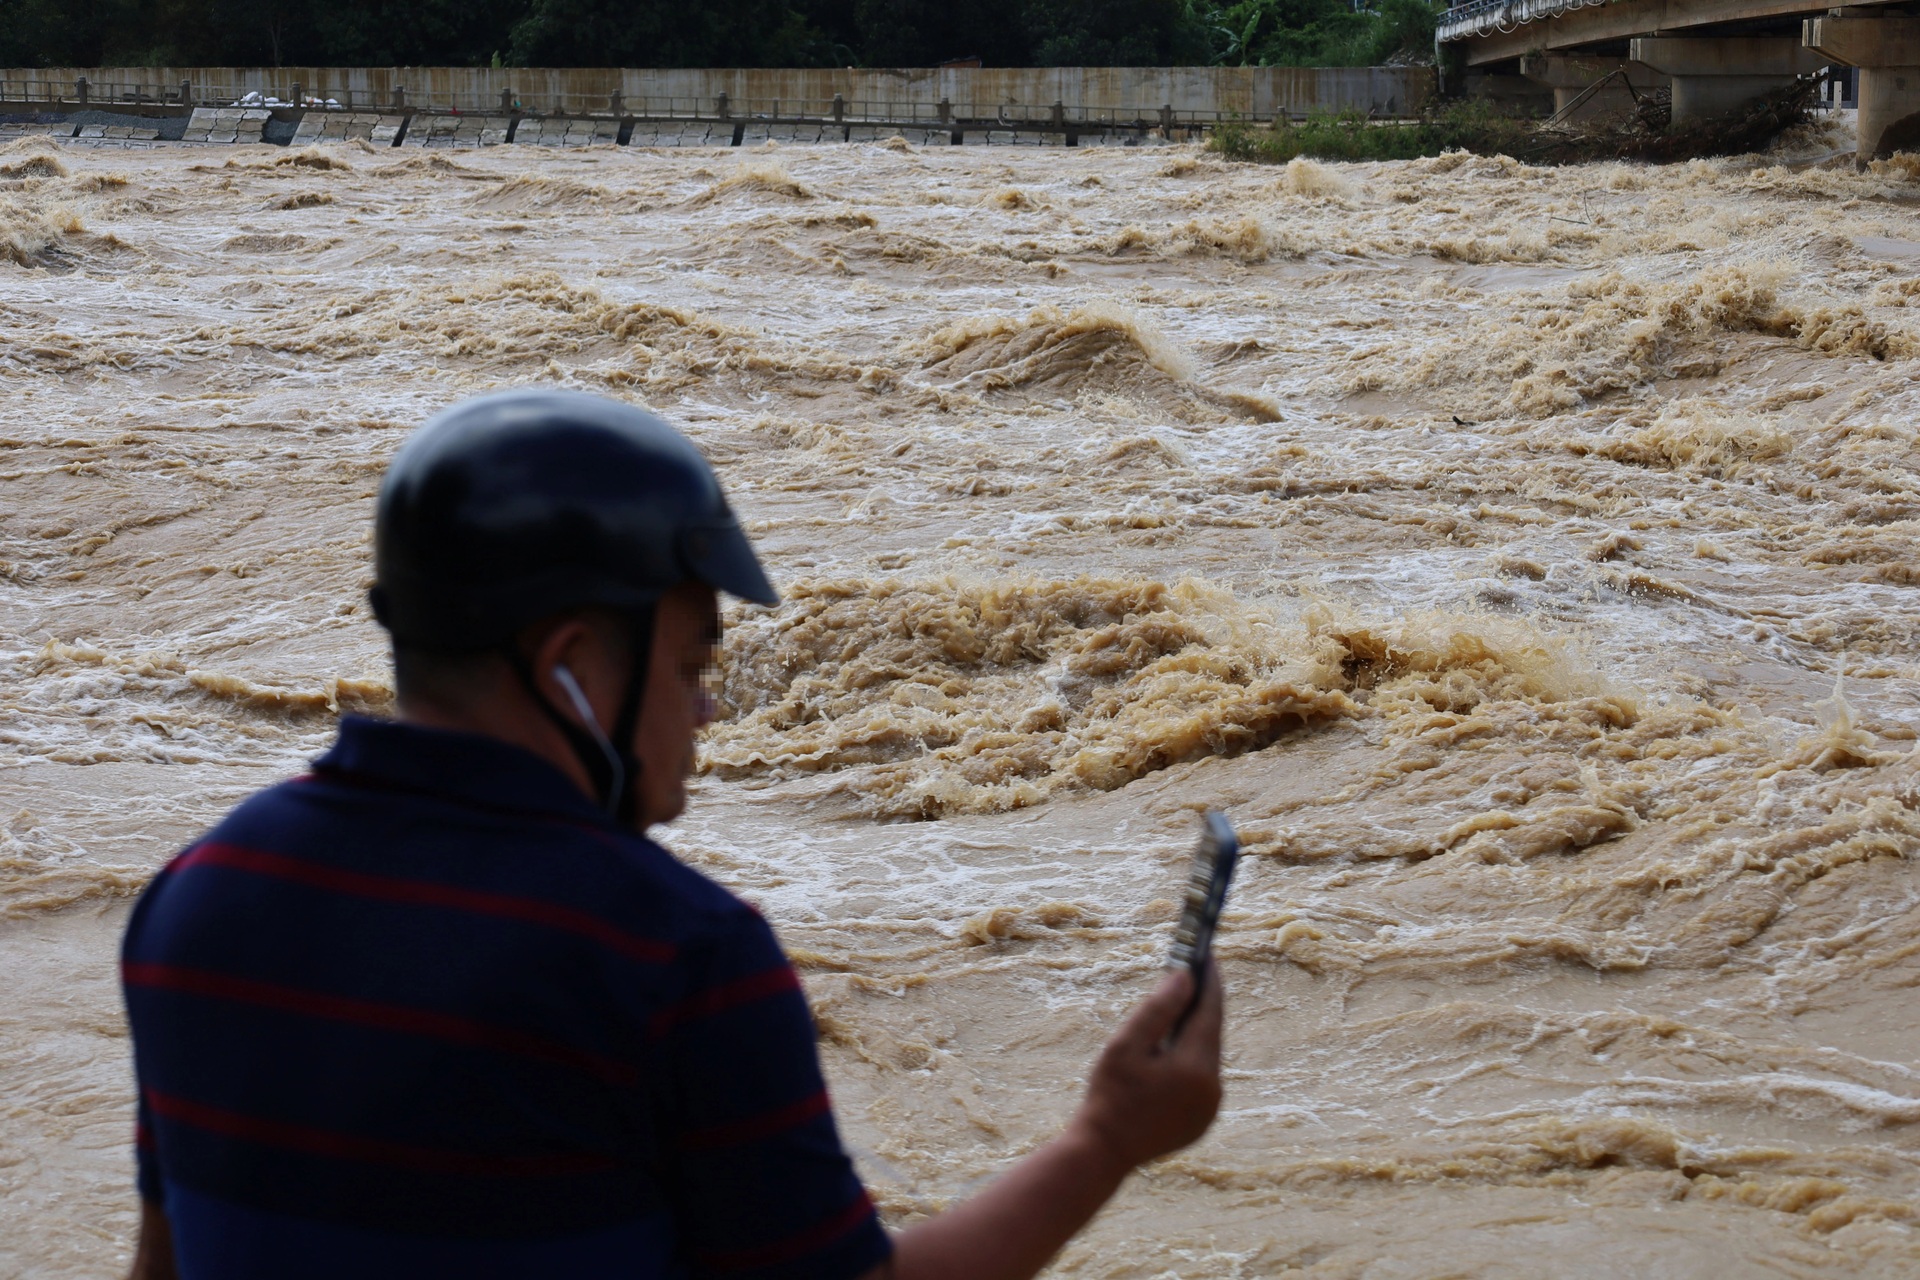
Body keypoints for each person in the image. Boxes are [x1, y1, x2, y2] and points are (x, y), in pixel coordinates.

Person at [122, 389, 1224, 1280]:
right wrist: (1107, 1137)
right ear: (572, 664)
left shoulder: (195, 893)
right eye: (694, 665)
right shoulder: (672, 957)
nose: (705, 712)